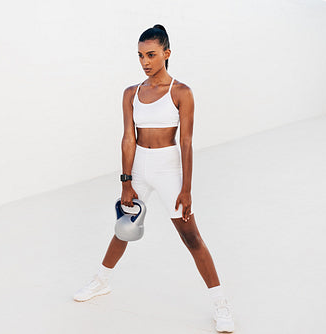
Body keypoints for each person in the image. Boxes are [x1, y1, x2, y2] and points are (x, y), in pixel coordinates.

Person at [73, 24, 235, 333]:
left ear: (166, 54)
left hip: (169, 168)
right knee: (125, 227)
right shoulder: (131, 93)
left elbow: (186, 142)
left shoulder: (181, 92)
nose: (145, 62)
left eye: (151, 55)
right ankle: (101, 281)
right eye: (140, 56)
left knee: (191, 237)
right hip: (139, 168)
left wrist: (186, 188)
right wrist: (126, 182)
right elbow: (127, 139)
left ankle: (221, 305)